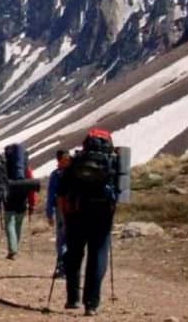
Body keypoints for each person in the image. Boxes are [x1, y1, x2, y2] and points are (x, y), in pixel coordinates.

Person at [58, 129, 121, 317]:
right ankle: (91, 303)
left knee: (74, 254)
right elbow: (120, 191)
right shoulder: (114, 162)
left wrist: (65, 215)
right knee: (98, 254)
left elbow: (62, 191)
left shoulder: (76, 161)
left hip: (77, 213)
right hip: (102, 216)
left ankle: (72, 299)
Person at [3, 143, 38, 260]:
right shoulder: (26, 169)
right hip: (22, 200)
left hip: (9, 199)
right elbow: (31, 188)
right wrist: (32, 204)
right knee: (18, 224)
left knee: (9, 224)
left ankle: (12, 250)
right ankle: (15, 249)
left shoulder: (6, 166)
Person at [46, 149, 72, 277]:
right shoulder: (75, 172)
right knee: (70, 238)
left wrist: (49, 213)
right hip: (75, 208)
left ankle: (61, 267)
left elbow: (51, 195)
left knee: (61, 238)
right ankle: (71, 267)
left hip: (61, 208)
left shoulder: (56, 174)